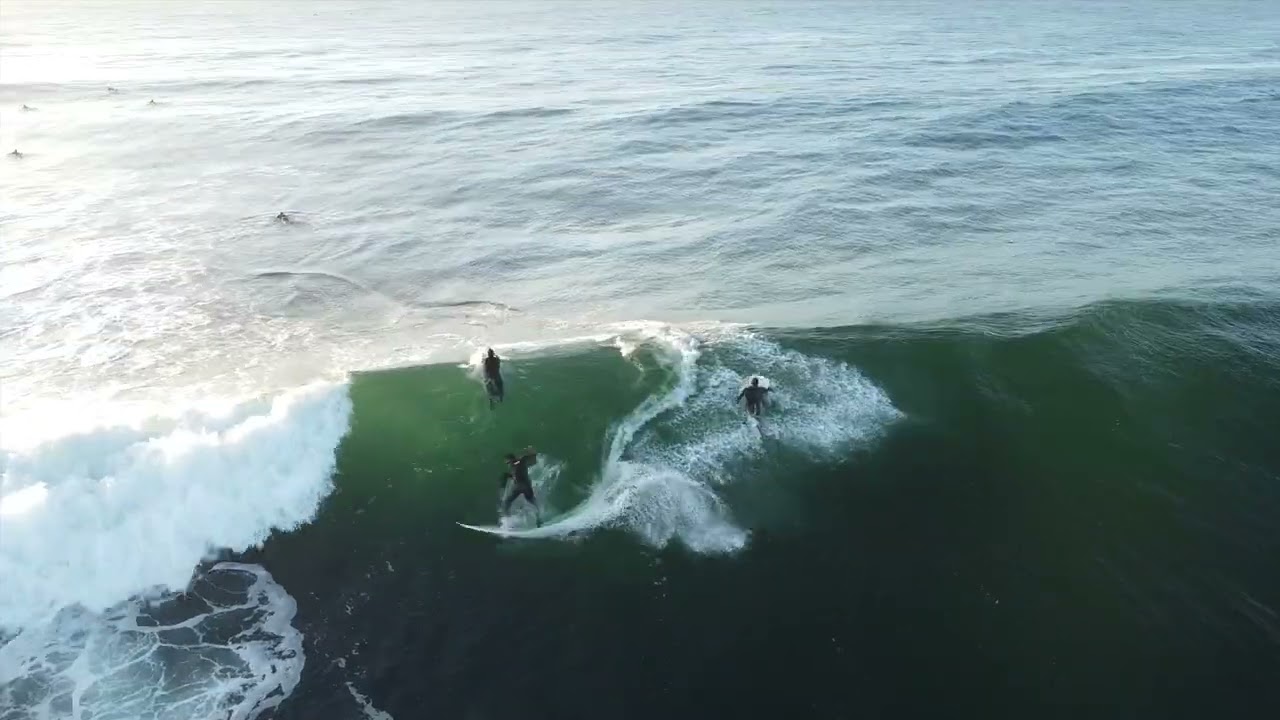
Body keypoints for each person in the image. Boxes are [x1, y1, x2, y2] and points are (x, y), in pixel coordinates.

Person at [500, 447, 539, 525]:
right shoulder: (515, 464)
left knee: (507, 502)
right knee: (532, 501)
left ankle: (507, 520)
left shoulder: (518, 462)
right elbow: (516, 473)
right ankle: (539, 517)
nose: (508, 465)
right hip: (524, 486)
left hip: (522, 486)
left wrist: (530, 451)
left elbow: (522, 461)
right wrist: (508, 476)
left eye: (508, 462)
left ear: (511, 460)